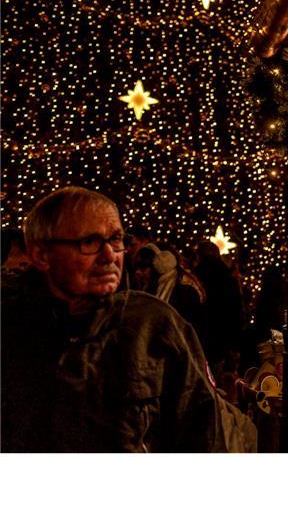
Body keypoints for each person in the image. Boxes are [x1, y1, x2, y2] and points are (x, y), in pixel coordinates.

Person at [1, 186, 253, 451]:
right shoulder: (10, 325)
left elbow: (206, 437)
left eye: (116, 240)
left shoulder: (154, 324)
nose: (109, 255)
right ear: (42, 255)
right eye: (89, 242)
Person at [194, 239, 245, 376]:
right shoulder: (228, 278)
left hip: (203, 337)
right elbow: (236, 311)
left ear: (199, 256)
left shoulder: (194, 278)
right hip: (225, 336)